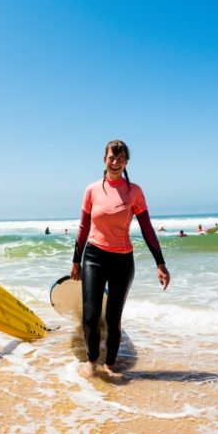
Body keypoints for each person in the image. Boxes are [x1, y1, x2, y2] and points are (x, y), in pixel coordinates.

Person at [70, 140, 171, 378]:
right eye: (111, 158)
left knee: (113, 319)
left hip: (122, 261)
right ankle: (92, 361)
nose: (115, 163)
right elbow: (83, 227)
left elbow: (147, 228)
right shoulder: (92, 190)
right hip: (94, 256)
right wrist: (76, 260)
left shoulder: (134, 191)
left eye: (120, 158)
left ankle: (110, 366)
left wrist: (160, 262)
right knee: (90, 316)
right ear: (104, 159)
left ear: (126, 162)